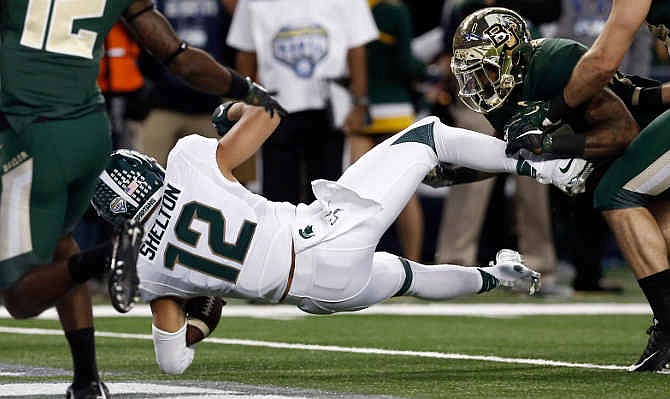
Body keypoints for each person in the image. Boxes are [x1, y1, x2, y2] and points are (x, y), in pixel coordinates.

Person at [89, 100, 602, 375]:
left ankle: (497, 277)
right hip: (321, 235)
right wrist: (232, 110)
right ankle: (547, 167)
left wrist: (201, 320)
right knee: (430, 135)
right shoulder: (185, 161)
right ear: (147, 173)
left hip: (318, 295)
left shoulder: (147, 270)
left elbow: (172, 361)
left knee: (410, 279)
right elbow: (268, 110)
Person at [0, 0, 285, 397]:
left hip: (28, 132)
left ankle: (108, 255)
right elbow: (181, 60)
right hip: (88, 131)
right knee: (62, 246)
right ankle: (86, 381)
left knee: (18, 295)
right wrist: (246, 88)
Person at [449, 6, 670, 371]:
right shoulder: (502, 92)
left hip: (641, 140)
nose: (477, 81)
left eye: (484, 67)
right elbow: (512, 150)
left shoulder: (553, 62)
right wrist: (459, 174)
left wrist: (550, 136)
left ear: (510, 57)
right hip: (644, 152)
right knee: (660, 233)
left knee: (615, 196)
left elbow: (621, 129)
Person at [434, 0, 567, 295]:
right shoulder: (463, 7)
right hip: (478, 96)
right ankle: (455, 266)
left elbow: (552, 13)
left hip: (525, 94)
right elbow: (451, 55)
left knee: (533, 180)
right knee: (469, 181)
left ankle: (538, 269)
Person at [226, 0, 378, 204]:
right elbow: (246, 53)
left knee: (327, 195)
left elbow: (357, 50)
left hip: (329, 106)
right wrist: (247, 102)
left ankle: (322, 237)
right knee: (277, 196)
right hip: (274, 105)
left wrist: (359, 102)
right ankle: (283, 237)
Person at [350, 0, 426, 261]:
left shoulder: (347, 8)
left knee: (355, 195)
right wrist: (424, 70)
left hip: (357, 111)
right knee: (405, 194)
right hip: (395, 110)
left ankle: (353, 262)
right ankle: (413, 263)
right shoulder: (394, 10)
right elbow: (406, 63)